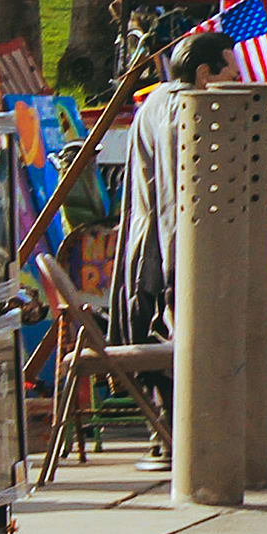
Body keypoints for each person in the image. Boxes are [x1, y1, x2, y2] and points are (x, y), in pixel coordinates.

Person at [112, 25, 235, 350]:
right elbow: (177, 205)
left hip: (148, 261)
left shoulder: (157, 99)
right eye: (232, 78)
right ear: (205, 74)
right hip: (167, 273)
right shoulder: (182, 112)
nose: (236, 86)